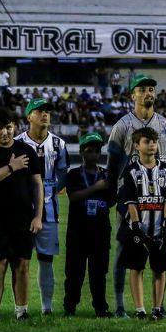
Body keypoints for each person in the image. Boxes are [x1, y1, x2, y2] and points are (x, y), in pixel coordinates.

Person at [106, 73, 166, 318]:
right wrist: (118, 199)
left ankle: (159, 306)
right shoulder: (122, 126)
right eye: (142, 89)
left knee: (161, 251)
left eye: (151, 89)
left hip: (158, 200)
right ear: (132, 95)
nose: (148, 93)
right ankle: (119, 305)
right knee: (124, 252)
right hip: (130, 202)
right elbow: (113, 165)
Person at [0, 108, 43, 323]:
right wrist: (11, 167)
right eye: (0, 128)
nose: (5, 132)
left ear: (15, 127)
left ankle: (21, 311)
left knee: (22, 265)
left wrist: (38, 216)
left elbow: (37, 185)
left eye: (9, 127)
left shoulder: (27, 151)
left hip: (22, 218)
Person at [15, 98, 69, 315]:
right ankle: (22, 308)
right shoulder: (17, 142)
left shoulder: (58, 144)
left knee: (46, 259)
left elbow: (63, 174)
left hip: (49, 210)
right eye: (39, 111)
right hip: (21, 209)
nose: (45, 114)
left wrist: (49, 193)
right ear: (29, 117)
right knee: (21, 259)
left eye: (47, 111)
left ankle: (47, 308)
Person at [118, 128, 166, 320]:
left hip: (160, 228)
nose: (152, 144)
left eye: (154, 141)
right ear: (137, 146)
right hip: (138, 228)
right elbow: (130, 201)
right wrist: (136, 226)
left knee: (160, 269)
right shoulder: (131, 171)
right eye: (147, 141)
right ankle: (140, 309)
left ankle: (157, 308)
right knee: (136, 268)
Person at [63, 132, 115, 317]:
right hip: (78, 230)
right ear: (82, 152)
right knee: (74, 272)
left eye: (97, 151)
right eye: (89, 150)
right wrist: (95, 188)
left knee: (99, 272)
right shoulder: (74, 174)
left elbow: (111, 200)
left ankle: (100, 307)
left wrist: (104, 191)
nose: (94, 154)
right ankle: (70, 307)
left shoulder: (106, 174)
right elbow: (73, 197)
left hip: (100, 230)